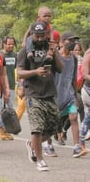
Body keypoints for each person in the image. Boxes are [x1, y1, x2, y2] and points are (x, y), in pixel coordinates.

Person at [17, 21, 63, 172]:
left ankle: (32, 145)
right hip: (33, 94)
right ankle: (40, 159)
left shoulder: (49, 48)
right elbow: (20, 73)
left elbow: (60, 69)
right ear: (31, 35)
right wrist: (35, 72)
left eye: (42, 35)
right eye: (36, 35)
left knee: (54, 127)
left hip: (49, 93)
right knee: (37, 129)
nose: (39, 38)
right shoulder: (25, 51)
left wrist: (54, 51)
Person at [48, 32, 81, 157]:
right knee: (51, 122)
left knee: (73, 117)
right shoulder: (55, 57)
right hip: (55, 96)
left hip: (70, 97)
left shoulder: (74, 58)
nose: (73, 43)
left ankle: (77, 146)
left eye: (74, 41)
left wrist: (76, 96)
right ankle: (48, 145)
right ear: (62, 42)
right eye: (70, 40)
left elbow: (73, 79)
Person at [0, 36, 18, 140]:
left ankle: (5, 130)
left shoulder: (15, 55)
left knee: (9, 109)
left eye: (12, 44)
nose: (11, 46)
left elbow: (15, 69)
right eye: (9, 44)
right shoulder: (0, 55)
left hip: (12, 85)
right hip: (1, 87)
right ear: (4, 44)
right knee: (2, 109)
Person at [75, 46, 90, 157]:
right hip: (87, 90)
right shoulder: (88, 55)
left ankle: (81, 143)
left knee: (88, 116)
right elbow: (85, 74)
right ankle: (80, 143)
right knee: (87, 116)